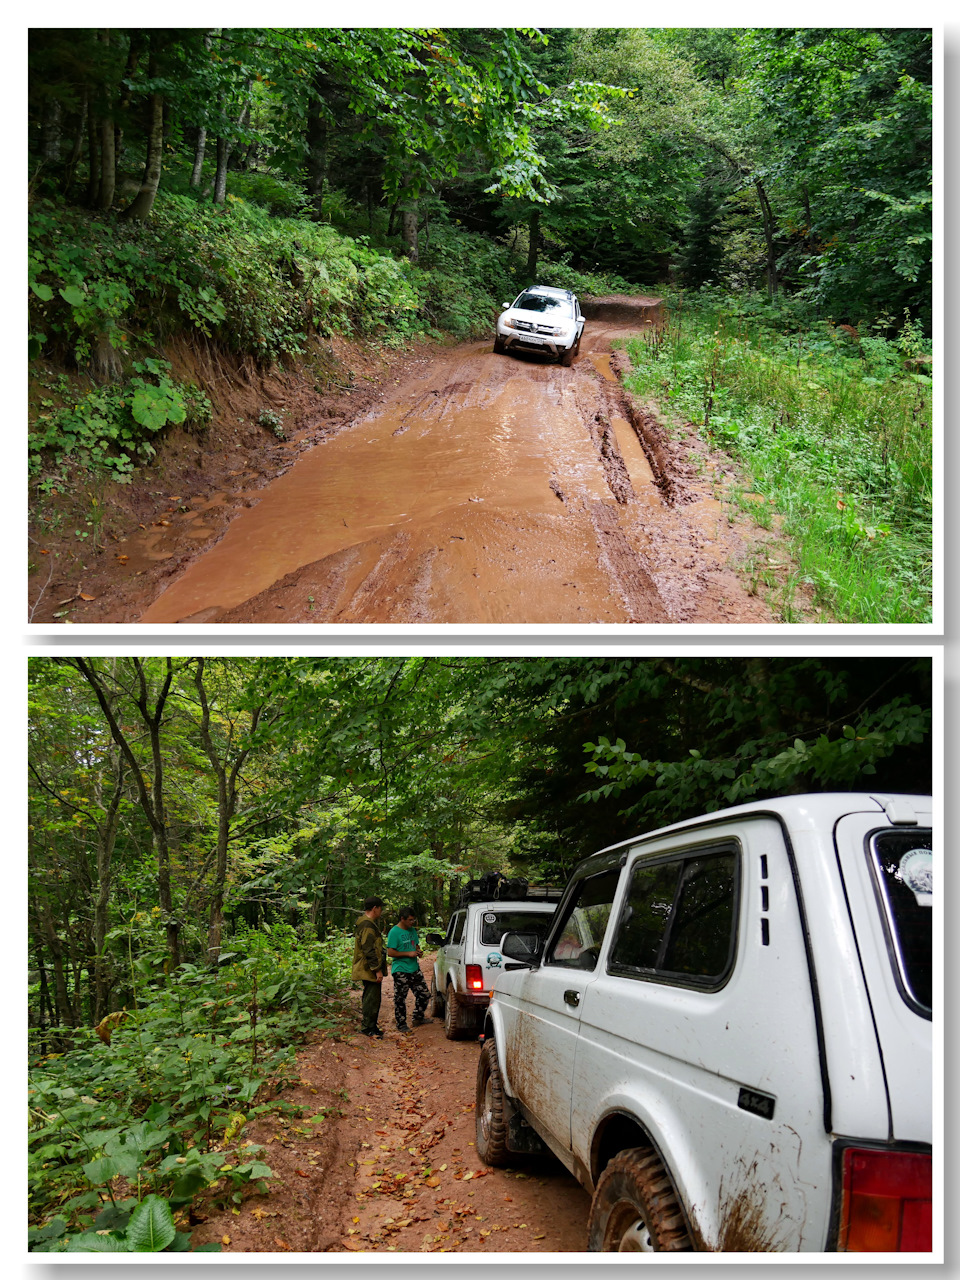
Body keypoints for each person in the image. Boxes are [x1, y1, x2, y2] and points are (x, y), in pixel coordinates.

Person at [385, 907, 433, 1032]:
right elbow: (390, 952)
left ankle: (418, 1017)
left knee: (424, 994)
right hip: (400, 969)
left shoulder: (412, 931)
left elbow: (415, 945)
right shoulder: (394, 932)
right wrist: (407, 954)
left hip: (414, 968)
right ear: (402, 919)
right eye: (410, 920)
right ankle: (401, 1024)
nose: (412, 922)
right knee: (400, 998)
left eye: (413, 920)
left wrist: (418, 951)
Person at [352, 896, 386, 1038]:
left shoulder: (367, 923)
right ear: (374, 908)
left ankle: (371, 1025)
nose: (381, 911)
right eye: (380, 908)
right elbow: (368, 949)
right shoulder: (367, 925)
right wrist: (376, 969)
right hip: (368, 968)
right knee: (372, 998)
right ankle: (368, 1028)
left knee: (372, 997)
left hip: (368, 968)